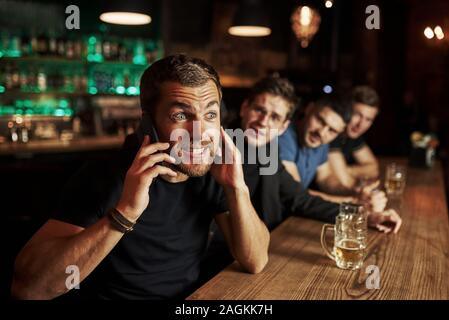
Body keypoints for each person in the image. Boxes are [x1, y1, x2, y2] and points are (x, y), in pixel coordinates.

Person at [11, 54, 269, 300]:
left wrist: (237, 187)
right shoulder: (102, 176)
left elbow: (255, 260)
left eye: (210, 115)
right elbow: (28, 288)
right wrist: (126, 212)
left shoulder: (208, 174)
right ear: (148, 123)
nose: (200, 132)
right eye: (180, 116)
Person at [201, 77, 401, 282]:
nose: (263, 121)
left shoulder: (266, 150)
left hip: (268, 249)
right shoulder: (216, 148)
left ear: (283, 126)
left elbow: (300, 199)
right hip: (226, 265)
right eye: (259, 110)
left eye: (274, 117)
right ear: (244, 108)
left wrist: (365, 216)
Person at [327, 86, 381, 192]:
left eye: (368, 119)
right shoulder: (331, 133)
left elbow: (374, 168)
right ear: (346, 110)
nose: (361, 124)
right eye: (357, 114)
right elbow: (344, 182)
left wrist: (347, 170)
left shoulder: (353, 135)